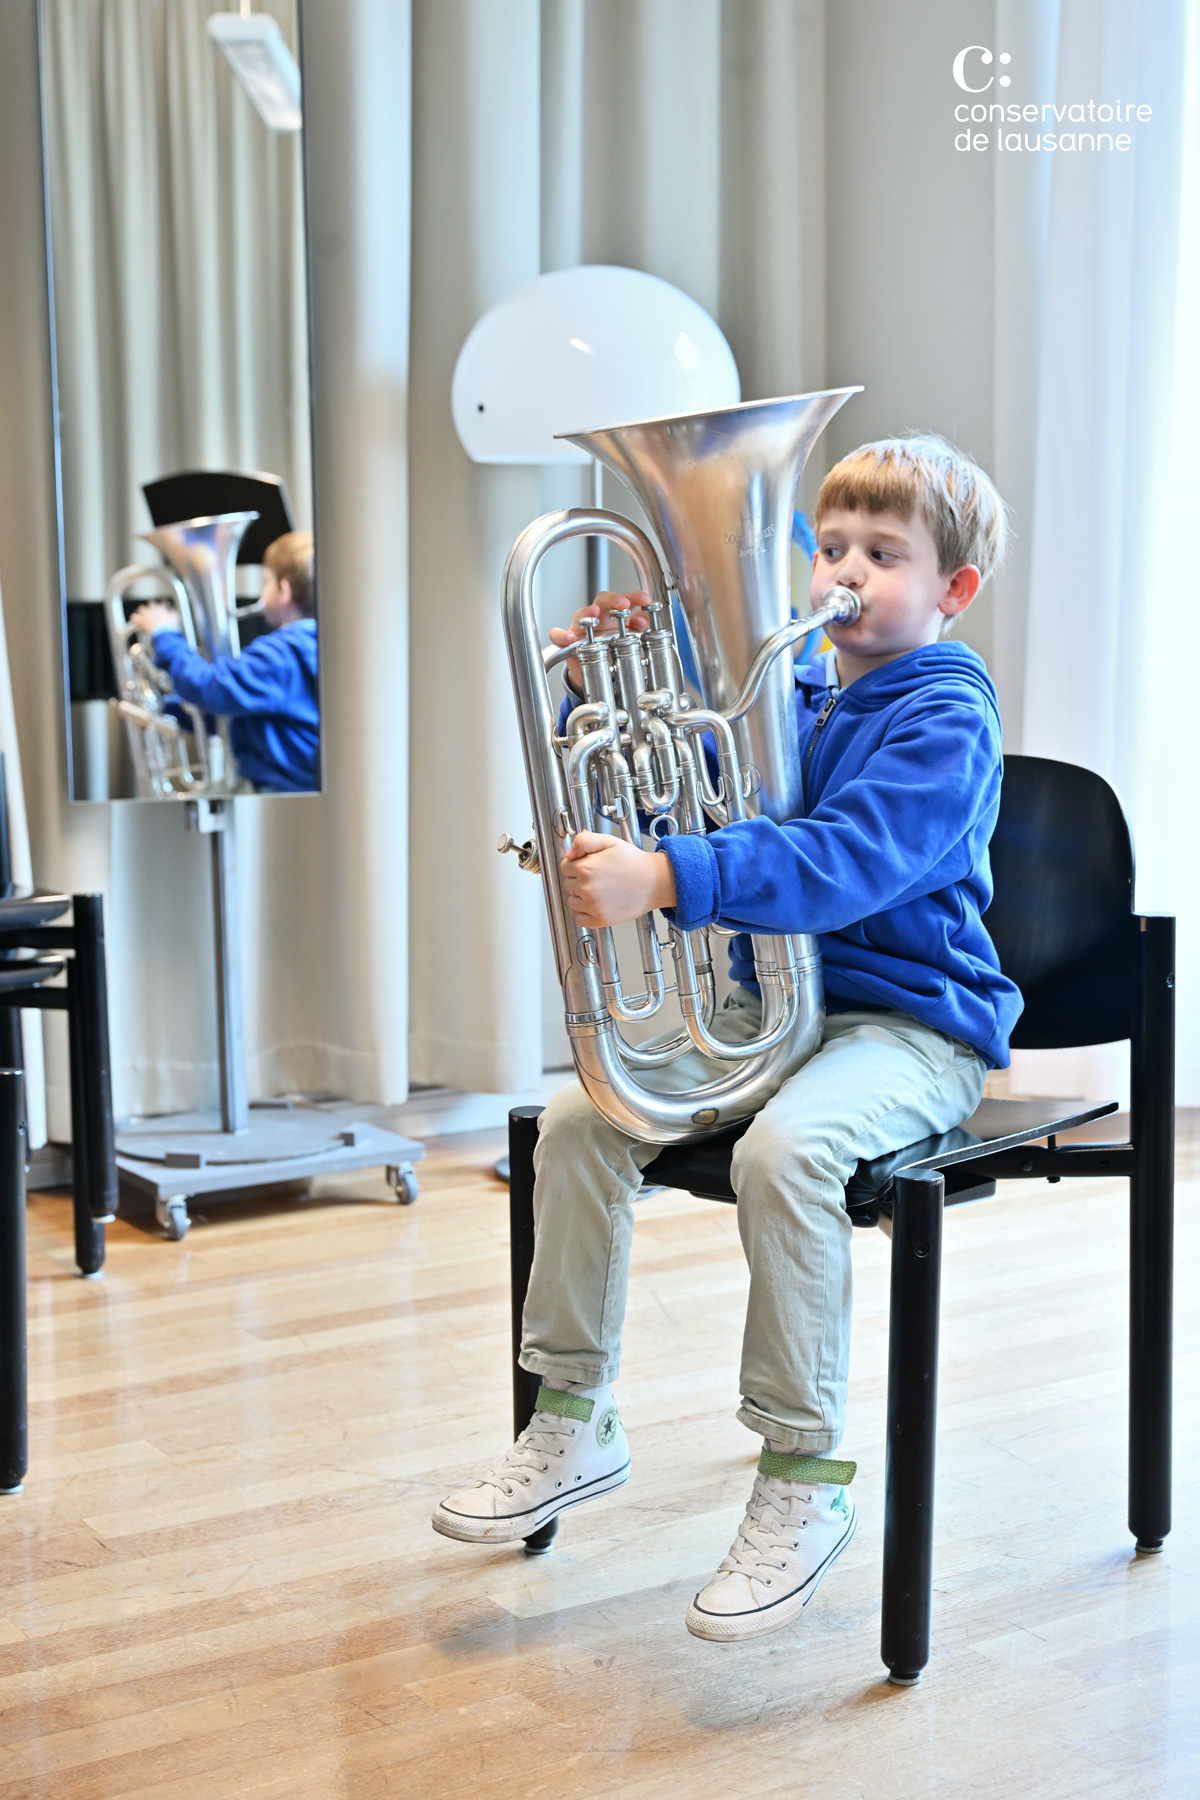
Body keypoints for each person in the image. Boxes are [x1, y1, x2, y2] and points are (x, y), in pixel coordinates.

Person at [432, 436, 1023, 1644]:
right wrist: (598, 695)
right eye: (831, 546)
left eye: (883, 554)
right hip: (778, 1015)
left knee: (786, 1155)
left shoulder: (947, 714)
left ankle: (803, 1477)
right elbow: (670, 792)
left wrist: (668, 877)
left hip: (910, 1025)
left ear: (953, 591)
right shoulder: (787, 692)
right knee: (581, 1121)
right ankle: (573, 1415)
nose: (843, 572)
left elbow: (844, 863)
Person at [127, 530, 319, 793]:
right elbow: (244, 716)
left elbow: (208, 687)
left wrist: (164, 635)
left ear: (284, 591)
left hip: (277, 789)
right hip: (294, 787)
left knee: (193, 807)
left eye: (267, 582)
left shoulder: (284, 654)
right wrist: (170, 709)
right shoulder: (316, 645)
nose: (263, 593)